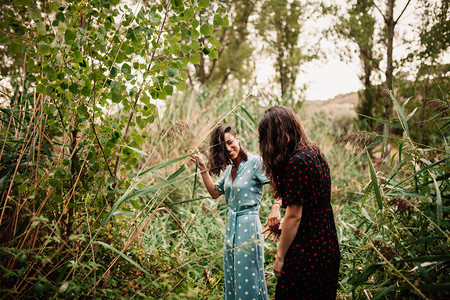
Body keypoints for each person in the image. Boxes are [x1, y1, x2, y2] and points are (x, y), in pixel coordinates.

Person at [258, 106, 340, 299]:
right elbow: (312, 206)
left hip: (307, 253)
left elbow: (294, 216)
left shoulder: (295, 163)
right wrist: (285, 226)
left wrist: (279, 257)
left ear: (274, 137)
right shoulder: (315, 153)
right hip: (327, 245)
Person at [189, 124, 277, 300]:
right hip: (231, 228)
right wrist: (203, 169)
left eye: (230, 142)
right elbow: (215, 192)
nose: (229, 149)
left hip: (249, 227)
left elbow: (280, 187)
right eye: (224, 147)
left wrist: (276, 207)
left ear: (238, 139)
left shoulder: (255, 162)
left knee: (249, 277)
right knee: (232, 275)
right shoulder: (230, 169)